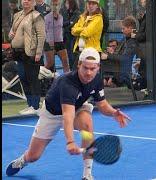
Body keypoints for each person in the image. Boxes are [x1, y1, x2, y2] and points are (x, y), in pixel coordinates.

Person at [5, 47, 131, 180]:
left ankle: (87, 175)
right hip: (52, 114)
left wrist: (113, 112)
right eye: (85, 68)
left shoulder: (96, 80)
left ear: (98, 67)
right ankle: (23, 160)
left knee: (87, 127)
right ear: (79, 65)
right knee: (33, 156)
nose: (88, 73)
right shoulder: (67, 83)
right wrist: (70, 141)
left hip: (78, 108)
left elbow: (102, 104)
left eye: (92, 69)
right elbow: (67, 115)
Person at [9, 0, 46, 115]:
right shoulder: (17, 15)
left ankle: (35, 106)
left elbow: (42, 35)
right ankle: (29, 104)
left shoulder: (37, 16)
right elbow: (13, 29)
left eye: (29, 0)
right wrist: (11, 34)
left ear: (34, 2)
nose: (26, 1)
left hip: (32, 53)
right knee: (23, 79)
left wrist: (39, 53)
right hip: (18, 53)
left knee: (32, 79)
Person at [100, 16, 138, 88]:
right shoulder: (126, 39)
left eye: (123, 28)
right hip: (117, 67)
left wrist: (108, 56)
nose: (122, 31)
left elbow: (125, 58)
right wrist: (112, 52)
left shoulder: (132, 42)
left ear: (130, 28)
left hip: (121, 71)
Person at [71, 0, 103, 70]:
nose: (90, 6)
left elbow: (87, 33)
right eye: (89, 3)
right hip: (80, 51)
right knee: (75, 73)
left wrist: (79, 30)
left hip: (91, 52)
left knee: (86, 75)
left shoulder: (98, 18)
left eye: (93, 4)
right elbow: (73, 31)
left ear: (97, 6)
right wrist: (83, 29)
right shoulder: (83, 17)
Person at [44, 0, 70, 73]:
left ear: (60, 6)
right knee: (50, 63)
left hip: (60, 42)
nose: (55, 7)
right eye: (53, 5)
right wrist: (48, 41)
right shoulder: (47, 17)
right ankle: (40, 75)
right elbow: (44, 31)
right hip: (49, 43)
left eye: (57, 5)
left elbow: (62, 29)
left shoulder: (61, 17)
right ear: (50, 6)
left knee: (66, 63)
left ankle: (67, 81)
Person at [60, 0, 81, 71]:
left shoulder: (77, 13)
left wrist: (67, 24)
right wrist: (68, 23)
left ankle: (73, 72)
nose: (66, 5)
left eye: (68, 3)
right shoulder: (62, 11)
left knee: (72, 57)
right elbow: (60, 23)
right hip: (65, 37)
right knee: (66, 58)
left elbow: (73, 25)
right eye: (66, 3)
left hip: (73, 38)